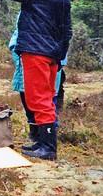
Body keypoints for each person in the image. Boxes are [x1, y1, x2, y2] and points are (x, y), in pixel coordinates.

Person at [0, 0, 72, 160]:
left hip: (36, 51)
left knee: (38, 99)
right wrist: (60, 57)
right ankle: (42, 143)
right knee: (46, 98)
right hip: (52, 54)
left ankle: (48, 148)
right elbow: (67, 30)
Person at [9, 15, 68, 151]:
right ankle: (36, 138)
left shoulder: (58, 10)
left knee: (47, 103)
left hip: (48, 63)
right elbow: (17, 36)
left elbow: (64, 38)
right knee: (29, 103)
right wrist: (19, 55)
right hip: (27, 62)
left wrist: (58, 61)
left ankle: (47, 142)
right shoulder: (28, 11)